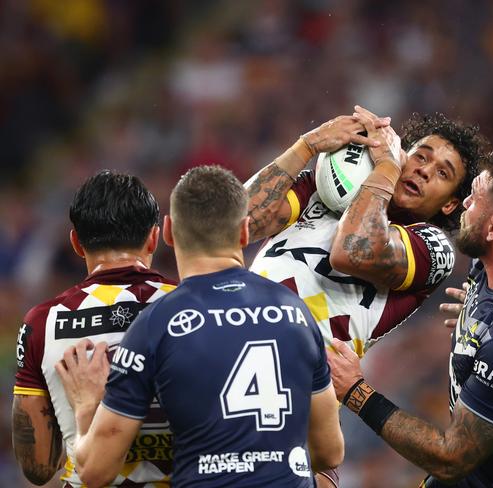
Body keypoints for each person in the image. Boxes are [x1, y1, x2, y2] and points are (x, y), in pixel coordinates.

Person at [56, 165, 344, 488]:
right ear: (245, 232)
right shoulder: (295, 312)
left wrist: (85, 406)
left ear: (166, 232)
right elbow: (329, 452)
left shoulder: (156, 323)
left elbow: (96, 471)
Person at [327, 148, 493, 487]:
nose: (465, 205)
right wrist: (481, 319)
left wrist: (355, 390)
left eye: (474, 199)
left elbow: (451, 458)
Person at [247, 105, 486, 359]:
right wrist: (308, 145)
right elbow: (236, 225)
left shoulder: (432, 248)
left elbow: (350, 252)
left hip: (292, 372)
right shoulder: (323, 190)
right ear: (403, 155)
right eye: (421, 157)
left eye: (442, 173)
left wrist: (387, 166)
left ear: (449, 204)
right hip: (232, 330)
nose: (424, 171)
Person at [12, 170, 176, 486]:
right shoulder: (194, 304)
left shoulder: (42, 321)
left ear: (76, 242)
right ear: (154, 237)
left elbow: (38, 468)